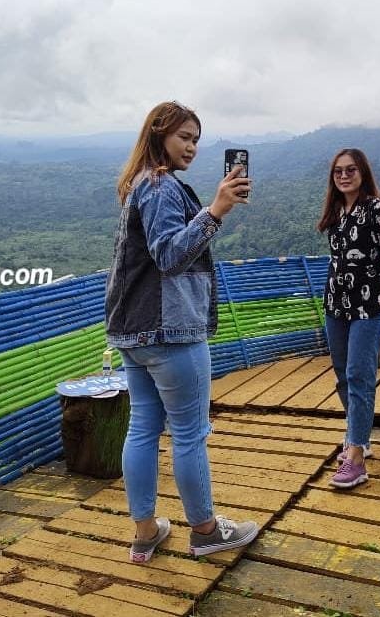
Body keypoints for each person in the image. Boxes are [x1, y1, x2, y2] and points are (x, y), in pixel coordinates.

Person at [105, 100, 259, 564]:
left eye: (196, 139)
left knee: (144, 429)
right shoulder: (161, 186)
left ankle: (145, 531)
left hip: (133, 333)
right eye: (183, 137)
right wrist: (216, 210)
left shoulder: (140, 184)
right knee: (189, 433)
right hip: (170, 332)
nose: (191, 147)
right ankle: (207, 531)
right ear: (158, 135)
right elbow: (170, 256)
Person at [316, 148, 380, 489]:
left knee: (359, 373)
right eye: (338, 171)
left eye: (351, 170)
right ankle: (358, 434)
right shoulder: (337, 209)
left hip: (369, 302)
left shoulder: (378, 208)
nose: (344, 175)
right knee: (341, 373)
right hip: (336, 301)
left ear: (363, 172)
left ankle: (356, 458)